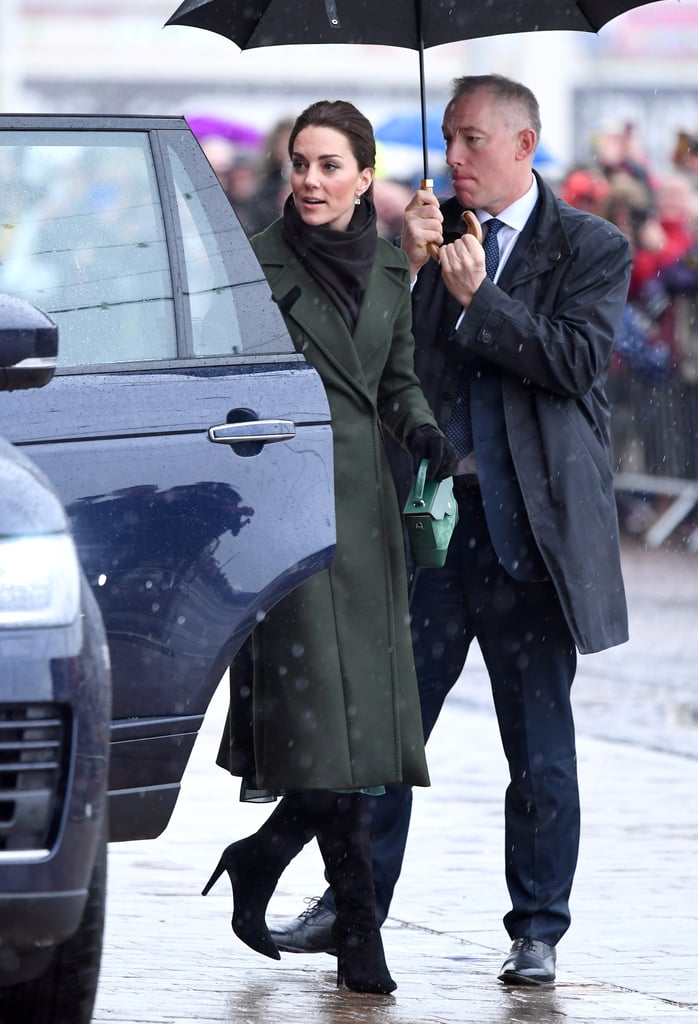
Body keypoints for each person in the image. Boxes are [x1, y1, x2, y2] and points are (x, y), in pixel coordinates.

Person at [269, 74, 633, 988]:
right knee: (387, 733)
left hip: (531, 542)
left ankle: (539, 927)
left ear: (523, 145)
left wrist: (484, 303)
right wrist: (417, 273)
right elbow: (397, 370)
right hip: (431, 527)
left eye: (470, 140)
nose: (453, 158)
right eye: (446, 137)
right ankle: (354, 906)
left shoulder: (591, 245)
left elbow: (577, 364)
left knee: (539, 749)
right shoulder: (432, 241)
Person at [206, 99, 458, 996]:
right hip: (287, 518)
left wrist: (423, 430)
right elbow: (228, 386)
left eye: (327, 165)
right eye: (298, 164)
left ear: (364, 177)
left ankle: (266, 859)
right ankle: (361, 938)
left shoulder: (395, 269)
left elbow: (396, 382)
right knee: (328, 732)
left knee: (365, 732)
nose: (309, 180)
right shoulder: (252, 266)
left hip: (368, 519)